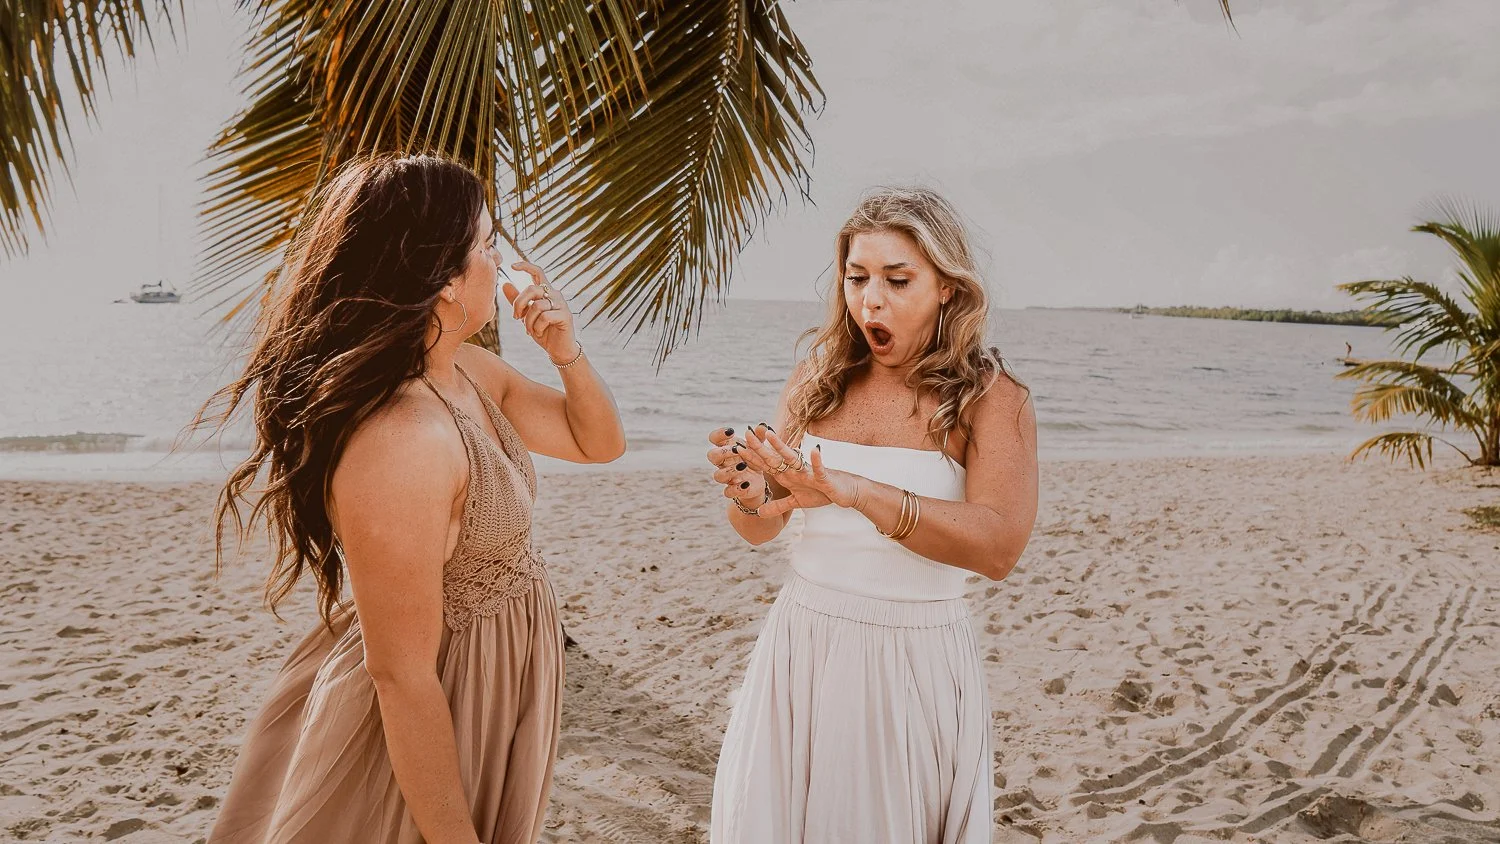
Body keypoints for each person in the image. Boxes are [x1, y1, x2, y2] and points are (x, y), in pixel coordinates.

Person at [202, 154, 625, 843]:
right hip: (437, 698)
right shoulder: (401, 441)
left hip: (491, 679)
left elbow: (597, 441)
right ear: (445, 280)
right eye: (485, 244)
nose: (500, 261)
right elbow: (400, 674)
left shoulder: (468, 371)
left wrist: (565, 351)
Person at [706, 187, 1038, 843]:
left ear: (947, 287)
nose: (871, 301)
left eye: (897, 279)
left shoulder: (990, 397)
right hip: (800, 645)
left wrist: (858, 491)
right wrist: (750, 492)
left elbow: (999, 548)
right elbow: (761, 526)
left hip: (911, 660)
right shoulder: (817, 379)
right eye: (857, 278)